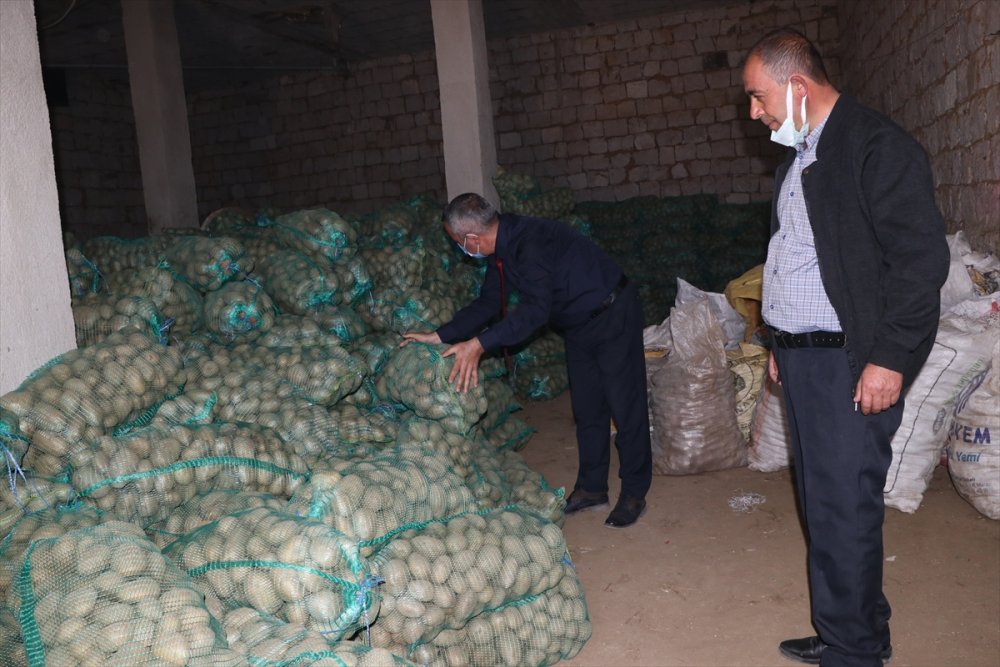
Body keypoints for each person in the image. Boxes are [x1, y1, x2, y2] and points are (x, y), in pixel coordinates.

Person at [742, 28, 949, 667]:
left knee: (844, 510)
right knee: (823, 506)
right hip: (804, 358)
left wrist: (888, 358)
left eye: (757, 96)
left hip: (848, 361)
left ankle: (854, 653)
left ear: (796, 86)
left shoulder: (877, 148)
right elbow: (792, 260)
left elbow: (919, 263)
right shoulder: (802, 154)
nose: (754, 112)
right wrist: (778, 339)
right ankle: (849, 631)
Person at [401, 192, 653, 528]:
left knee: (625, 403)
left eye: (459, 242)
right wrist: (441, 334)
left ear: (472, 238)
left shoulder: (531, 243)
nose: (462, 249)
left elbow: (535, 311)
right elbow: (490, 302)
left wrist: (479, 344)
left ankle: (634, 492)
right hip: (578, 323)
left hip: (612, 312)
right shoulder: (501, 249)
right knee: (588, 407)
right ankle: (592, 488)